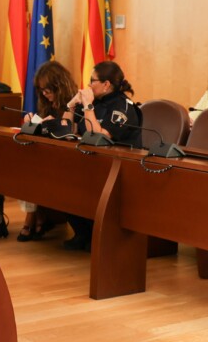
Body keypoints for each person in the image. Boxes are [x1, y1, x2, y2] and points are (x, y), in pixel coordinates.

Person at [61, 60, 142, 250]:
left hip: (119, 167)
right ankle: (83, 234)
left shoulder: (122, 107)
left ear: (106, 84)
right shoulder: (94, 102)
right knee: (61, 180)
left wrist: (88, 106)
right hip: (91, 162)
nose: (88, 85)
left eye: (92, 81)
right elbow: (64, 130)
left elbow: (100, 139)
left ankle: (97, 237)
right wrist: (70, 106)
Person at [17, 61, 78, 243]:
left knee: (35, 170)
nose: (45, 94)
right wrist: (36, 122)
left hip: (69, 160)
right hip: (49, 157)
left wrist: (56, 124)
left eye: (48, 90)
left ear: (58, 86)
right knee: (28, 166)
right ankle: (36, 216)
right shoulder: (47, 103)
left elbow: (73, 133)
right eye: (41, 91)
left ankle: (32, 218)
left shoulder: (75, 102)